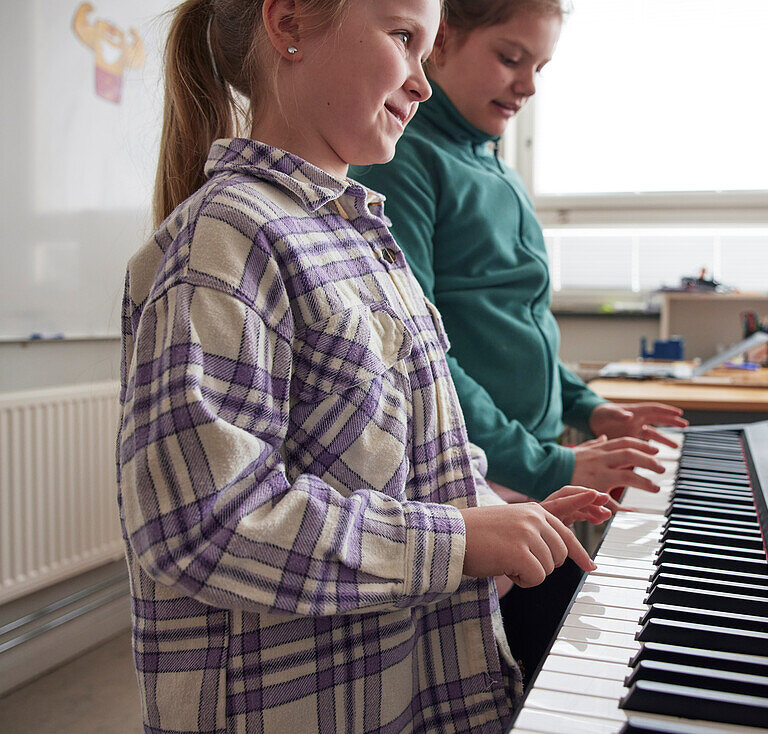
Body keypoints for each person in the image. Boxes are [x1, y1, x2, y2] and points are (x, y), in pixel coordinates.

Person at [116, 1, 614, 732]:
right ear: (287, 25)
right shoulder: (228, 242)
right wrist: (460, 542)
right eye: (404, 39)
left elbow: (408, 445)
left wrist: (497, 512)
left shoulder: (359, 239)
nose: (420, 81)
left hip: (401, 690)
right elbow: (205, 525)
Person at [350, 0, 689, 683]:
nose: (528, 84)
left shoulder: (497, 167)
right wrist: (548, 467)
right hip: (481, 481)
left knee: (574, 655)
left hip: (531, 470)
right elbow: (423, 356)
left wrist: (589, 409)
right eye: (510, 58)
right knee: (543, 673)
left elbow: (525, 324)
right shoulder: (406, 159)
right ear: (439, 45)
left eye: (539, 66)